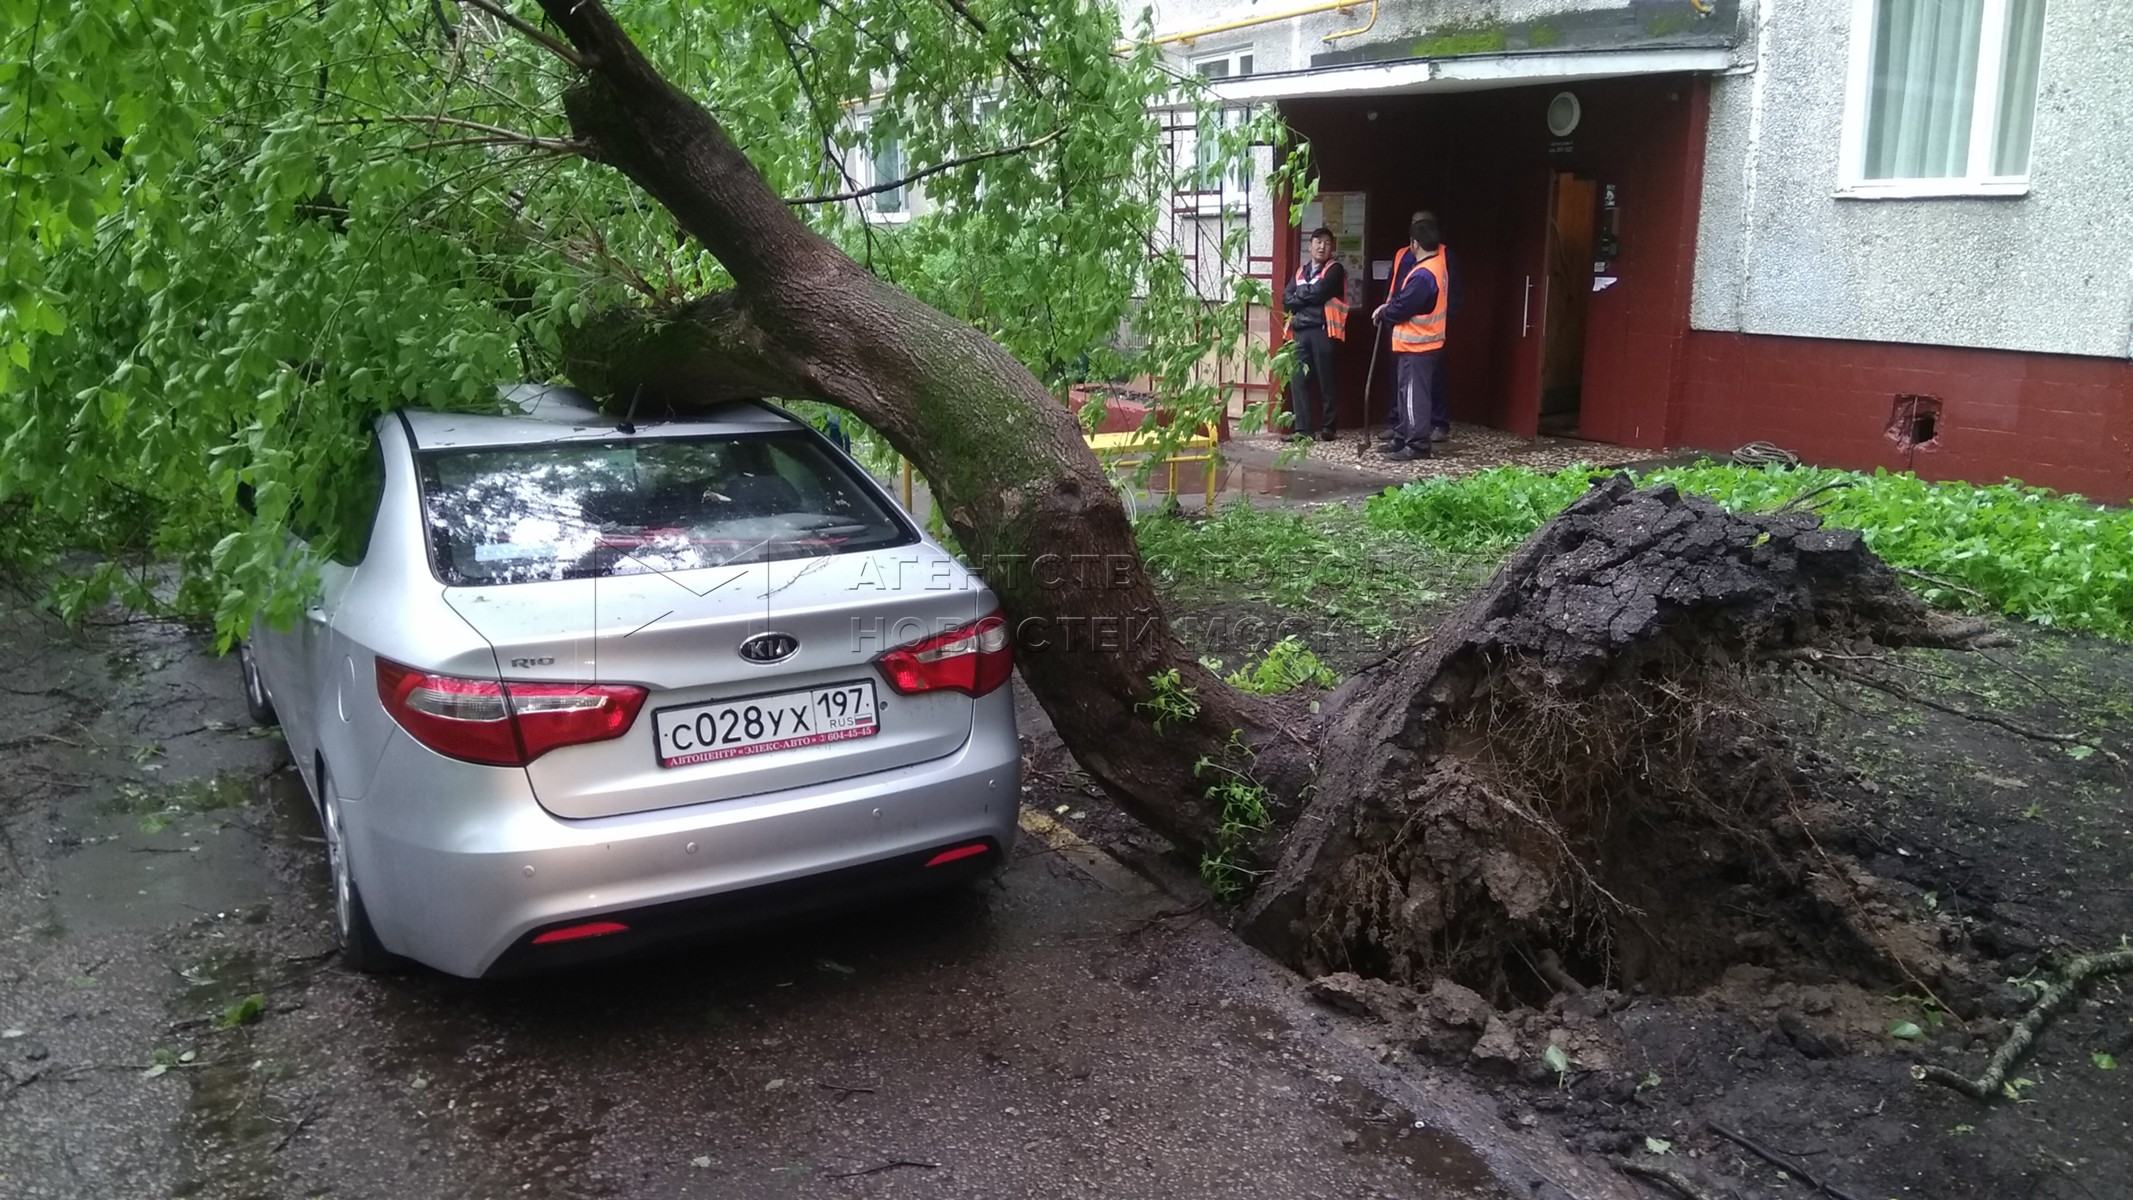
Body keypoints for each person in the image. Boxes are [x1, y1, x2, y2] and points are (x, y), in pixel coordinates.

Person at [1372, 216, 1449, 462]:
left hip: (1419, 344)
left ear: (1414, 243)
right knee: (1406, 394)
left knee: (1415, 396)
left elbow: (1404, 306)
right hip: (1416, 344)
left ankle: (1416, 444)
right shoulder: (1436, 265)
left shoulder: (1424, 274)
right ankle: (1403, 437)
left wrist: (1385, 312)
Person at [1281, 227, 1347, 442]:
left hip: (1322, 330)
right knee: (1298, 380)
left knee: (1326, 379)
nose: (1322, 246)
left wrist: (1301, 297)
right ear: (1309, 246)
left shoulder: (1335, 269)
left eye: (1327, 243)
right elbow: (1286, 299)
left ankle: (1329, 427)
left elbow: (1321, 293)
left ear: (1332, 247)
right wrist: (1306, 297)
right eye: (1318, 242)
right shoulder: (1300, 271)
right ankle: (1303, 430)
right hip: (1299, 332)